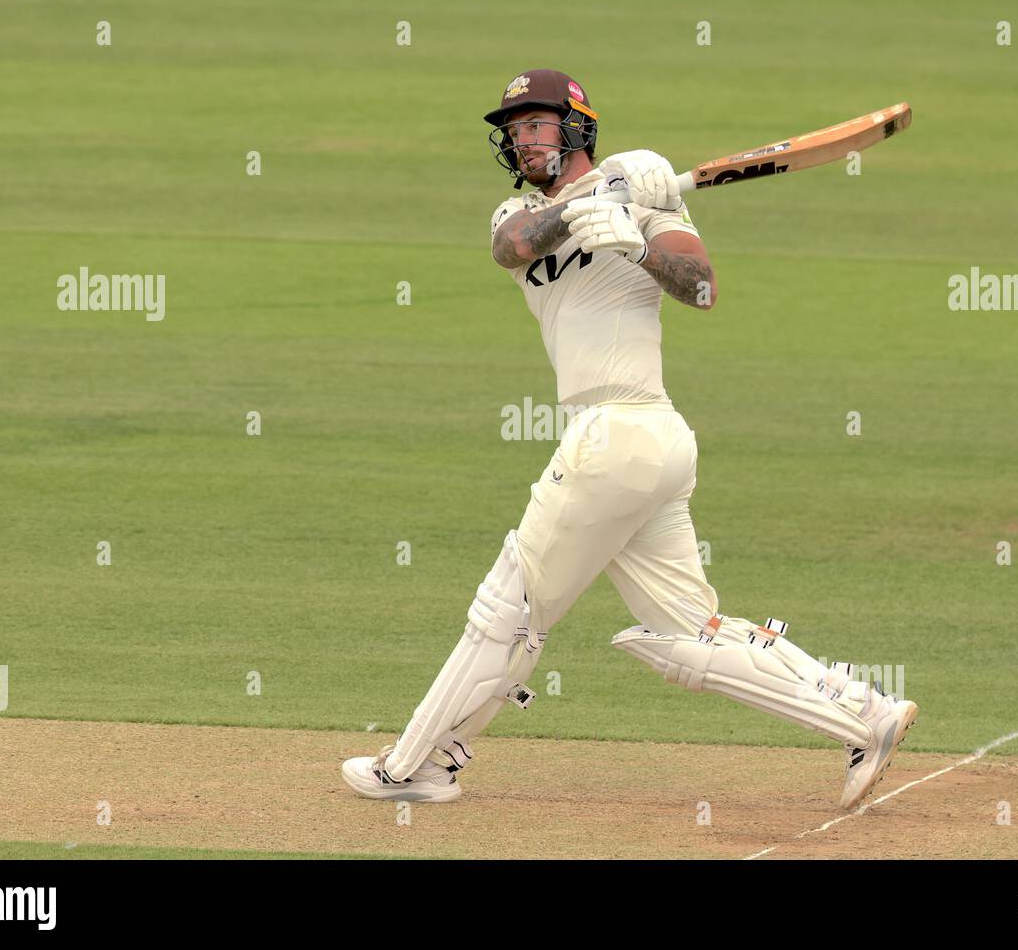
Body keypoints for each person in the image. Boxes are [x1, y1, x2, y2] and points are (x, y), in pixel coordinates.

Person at [342, 69, 917, 809]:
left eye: (537, 125)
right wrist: (599, 197)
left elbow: (701, 288)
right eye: (514, 130)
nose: (523, 140)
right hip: (628, 445)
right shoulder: (520, 209)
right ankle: (865, 713)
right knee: (692, 631)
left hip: (628, 430)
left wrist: (637, 242)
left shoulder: (654, 200)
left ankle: (417, 764)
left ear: (576, 126)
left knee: (510, 608)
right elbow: (512, 245)